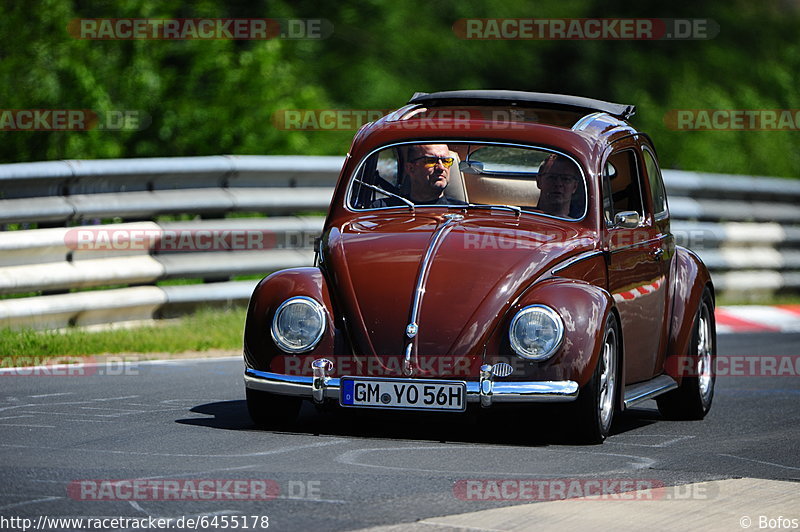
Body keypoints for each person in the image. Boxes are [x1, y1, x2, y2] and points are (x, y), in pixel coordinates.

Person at [371, 144, 466, 207]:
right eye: (431, 161)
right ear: (410, 168)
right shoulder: (382, 210)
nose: (441, 168)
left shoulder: (463, 213)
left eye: (446, 161)